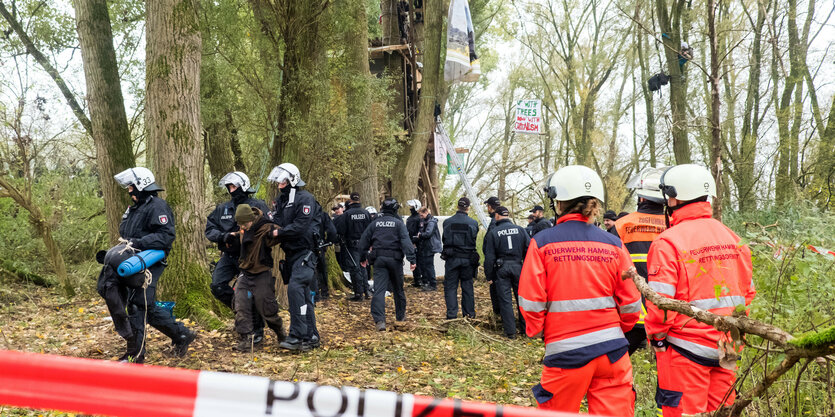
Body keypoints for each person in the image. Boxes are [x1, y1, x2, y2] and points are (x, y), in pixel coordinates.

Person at [518, 165, 640, 416]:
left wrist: (538, 329)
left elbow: (531, 300)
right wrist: (622, 329)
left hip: (565, 353)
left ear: (558, 203)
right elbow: (630, 301)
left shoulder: (542, 243)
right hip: (613, 353)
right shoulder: (613, 243)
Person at [646, 164, 755, 416]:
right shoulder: (733, 238)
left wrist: (657, 337)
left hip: (685, 349)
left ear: (675, 197)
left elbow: (661, 303)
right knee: (722, 412)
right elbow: (748, 294)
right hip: (729, 345)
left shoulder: (668, 242)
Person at [108, 167, 196, 363]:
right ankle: (181, 334)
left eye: (131, 186)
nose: (129, 190)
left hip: (150, 260)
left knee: (140, 303)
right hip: (131, 261)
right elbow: (126, 232)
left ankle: (136, 355)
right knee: (139, 303)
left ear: (142, 185)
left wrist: (140, 243)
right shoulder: (134, 207)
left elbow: (165, 236)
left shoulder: (157, 206)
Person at [205, 171, 269, 345]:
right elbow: (210, 229)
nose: (232, 190)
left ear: (243, 186)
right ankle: (241, 313)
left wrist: (248, 234)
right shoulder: (222, 208)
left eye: (234, 186)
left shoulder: (258, 205)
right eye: (229, 187)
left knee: (249, 293)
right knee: (217, 286)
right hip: (229, 255)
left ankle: (256, 329)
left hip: (251, 257)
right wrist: (223, 236)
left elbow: (269, 226)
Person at [610, 167, 668, 354]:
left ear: (641, 198)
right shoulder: (675, 224)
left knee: (616, 363)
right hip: (666, 313)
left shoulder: (621, 225)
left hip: (631, 312)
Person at [267, 163, 323, 351]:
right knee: (304, 296)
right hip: (290, 253)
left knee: (296, 288)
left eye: (283, 180)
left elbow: (300, 226)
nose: (279, 184)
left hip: (306, 252)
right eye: (278, 180)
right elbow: (276, 221)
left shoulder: (305, 198)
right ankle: (311, 335)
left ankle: (297, 335)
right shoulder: (281, 201)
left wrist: (277, 234)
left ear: (292, 179)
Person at [225, 204, 286, 351]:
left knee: (267, 308)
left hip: (262, 273)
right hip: (245, 273)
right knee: (240, 306)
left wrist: (275, 235)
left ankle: (280, 333)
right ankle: (246, 339)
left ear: (251, 219)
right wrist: (231, 237)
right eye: (240, 224)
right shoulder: (243, 229)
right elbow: (241, 236)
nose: (243, 227)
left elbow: (283, 233)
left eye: (245, 223)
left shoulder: (266, 227)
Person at [358, 198, 417, 331]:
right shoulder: (398, 224)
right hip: (395, 260)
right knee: (398, 290)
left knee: (379, 290)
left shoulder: (375, 223)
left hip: (379, 260)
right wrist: (412, 259)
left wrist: (362, 258)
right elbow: (406, 242)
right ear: (395, 209)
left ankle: (380, 322)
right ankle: (400, 318)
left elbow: (363, 241)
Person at [483, 206, 529, 338]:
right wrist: (527, 268)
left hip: (501, 268)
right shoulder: (521, 230)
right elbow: (529, 250)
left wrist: (489, 275)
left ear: (497, 216)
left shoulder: (494, 232)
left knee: (505, 300)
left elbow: (489, 256)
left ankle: (511, 332)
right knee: (522, 299)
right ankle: (526, 330)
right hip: (518, 267)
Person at [441, 197, 479, 319]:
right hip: (467, 260)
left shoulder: (447, 222)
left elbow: (444, 239)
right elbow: (474, 239)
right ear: (468, 208)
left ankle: (451, 315)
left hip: (452, 259)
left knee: (450, 287)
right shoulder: (473, 223)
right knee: (467, 286)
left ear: (457, 207)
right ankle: (469, 315)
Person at [335, 192, 372, 301]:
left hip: (351, 245)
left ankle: (358, 294)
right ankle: (366, 291)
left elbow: (341, 229)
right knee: (363, 266)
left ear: (350, 201)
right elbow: (370, 229)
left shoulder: (347, 214)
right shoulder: (366, 213)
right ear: (359, 200)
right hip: (364, 244)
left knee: (355, 269)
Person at [314, 207, 339, 301]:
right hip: (320, 245)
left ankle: (316, 294)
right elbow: (332, 231)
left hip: (305, 246)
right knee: (321, 269)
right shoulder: (322, 215)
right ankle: (324, 292)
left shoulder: (301, 213)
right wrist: (328, 242)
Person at [416, 207, 441, 291]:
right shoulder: (425, 221)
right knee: (426, 265)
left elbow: (428, 234)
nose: (421, 217)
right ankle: (428, 282)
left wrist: (420, 235)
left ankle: (433, 284)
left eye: (421, 215)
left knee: (429, 265)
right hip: (426, 246)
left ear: (426, 212)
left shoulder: (431, 221)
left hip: (430, 247)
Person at [406, 199, 424, 288]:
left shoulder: (419, 218)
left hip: (418, 244)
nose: (410, 208)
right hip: (410, 242)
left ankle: (420, 280)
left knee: (419, 262)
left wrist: (415, 241)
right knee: (413, 261)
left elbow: (420, 231)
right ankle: (416, 279)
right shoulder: (410, 218)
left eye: (412, 207)